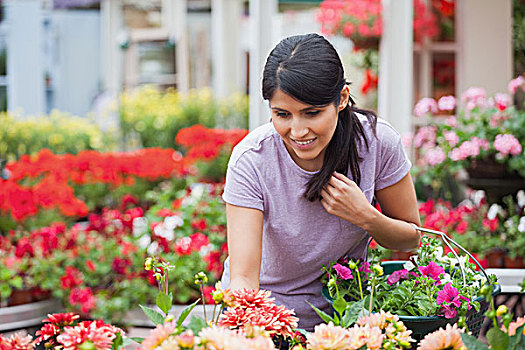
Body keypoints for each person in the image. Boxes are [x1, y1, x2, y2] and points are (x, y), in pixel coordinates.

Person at [220, 33, 421, 331]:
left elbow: (411, 238)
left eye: (312, 113)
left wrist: (366, 216)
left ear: (340, 99)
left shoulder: (377, 143)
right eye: (282, 114)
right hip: (268, 320)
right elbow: (244, 278)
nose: (298, 131)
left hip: (347, 318)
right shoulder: (252, 159)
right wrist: (253, 330)